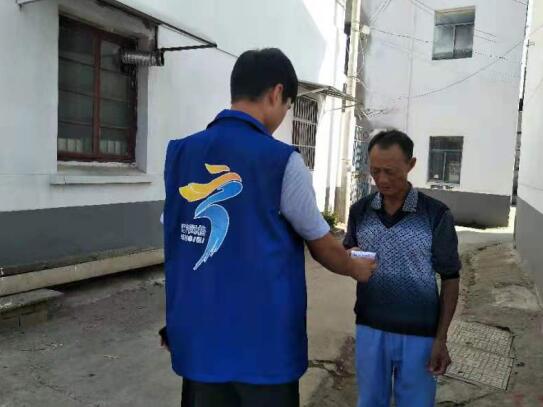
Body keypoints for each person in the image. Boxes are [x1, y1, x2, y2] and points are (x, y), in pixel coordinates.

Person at [162, 48, 376, 407]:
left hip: (199, 344)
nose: (283, 116)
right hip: (264, 352)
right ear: (277, 94)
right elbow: (322, 245)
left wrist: (178, 321)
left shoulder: (181, 154)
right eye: (288, 106)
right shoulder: (282, 161)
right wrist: (354, 266)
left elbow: (176, 240)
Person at [344, 130, 461, 407]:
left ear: (411, 164)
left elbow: (451, 278)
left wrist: (440, 339)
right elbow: (348, 255)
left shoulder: (436, 214)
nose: (382, 179)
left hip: (420, 334)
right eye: (375, 171)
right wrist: (350, 258)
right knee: (370, 401)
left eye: (391, 171)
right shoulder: (360, 211)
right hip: (370, 327)